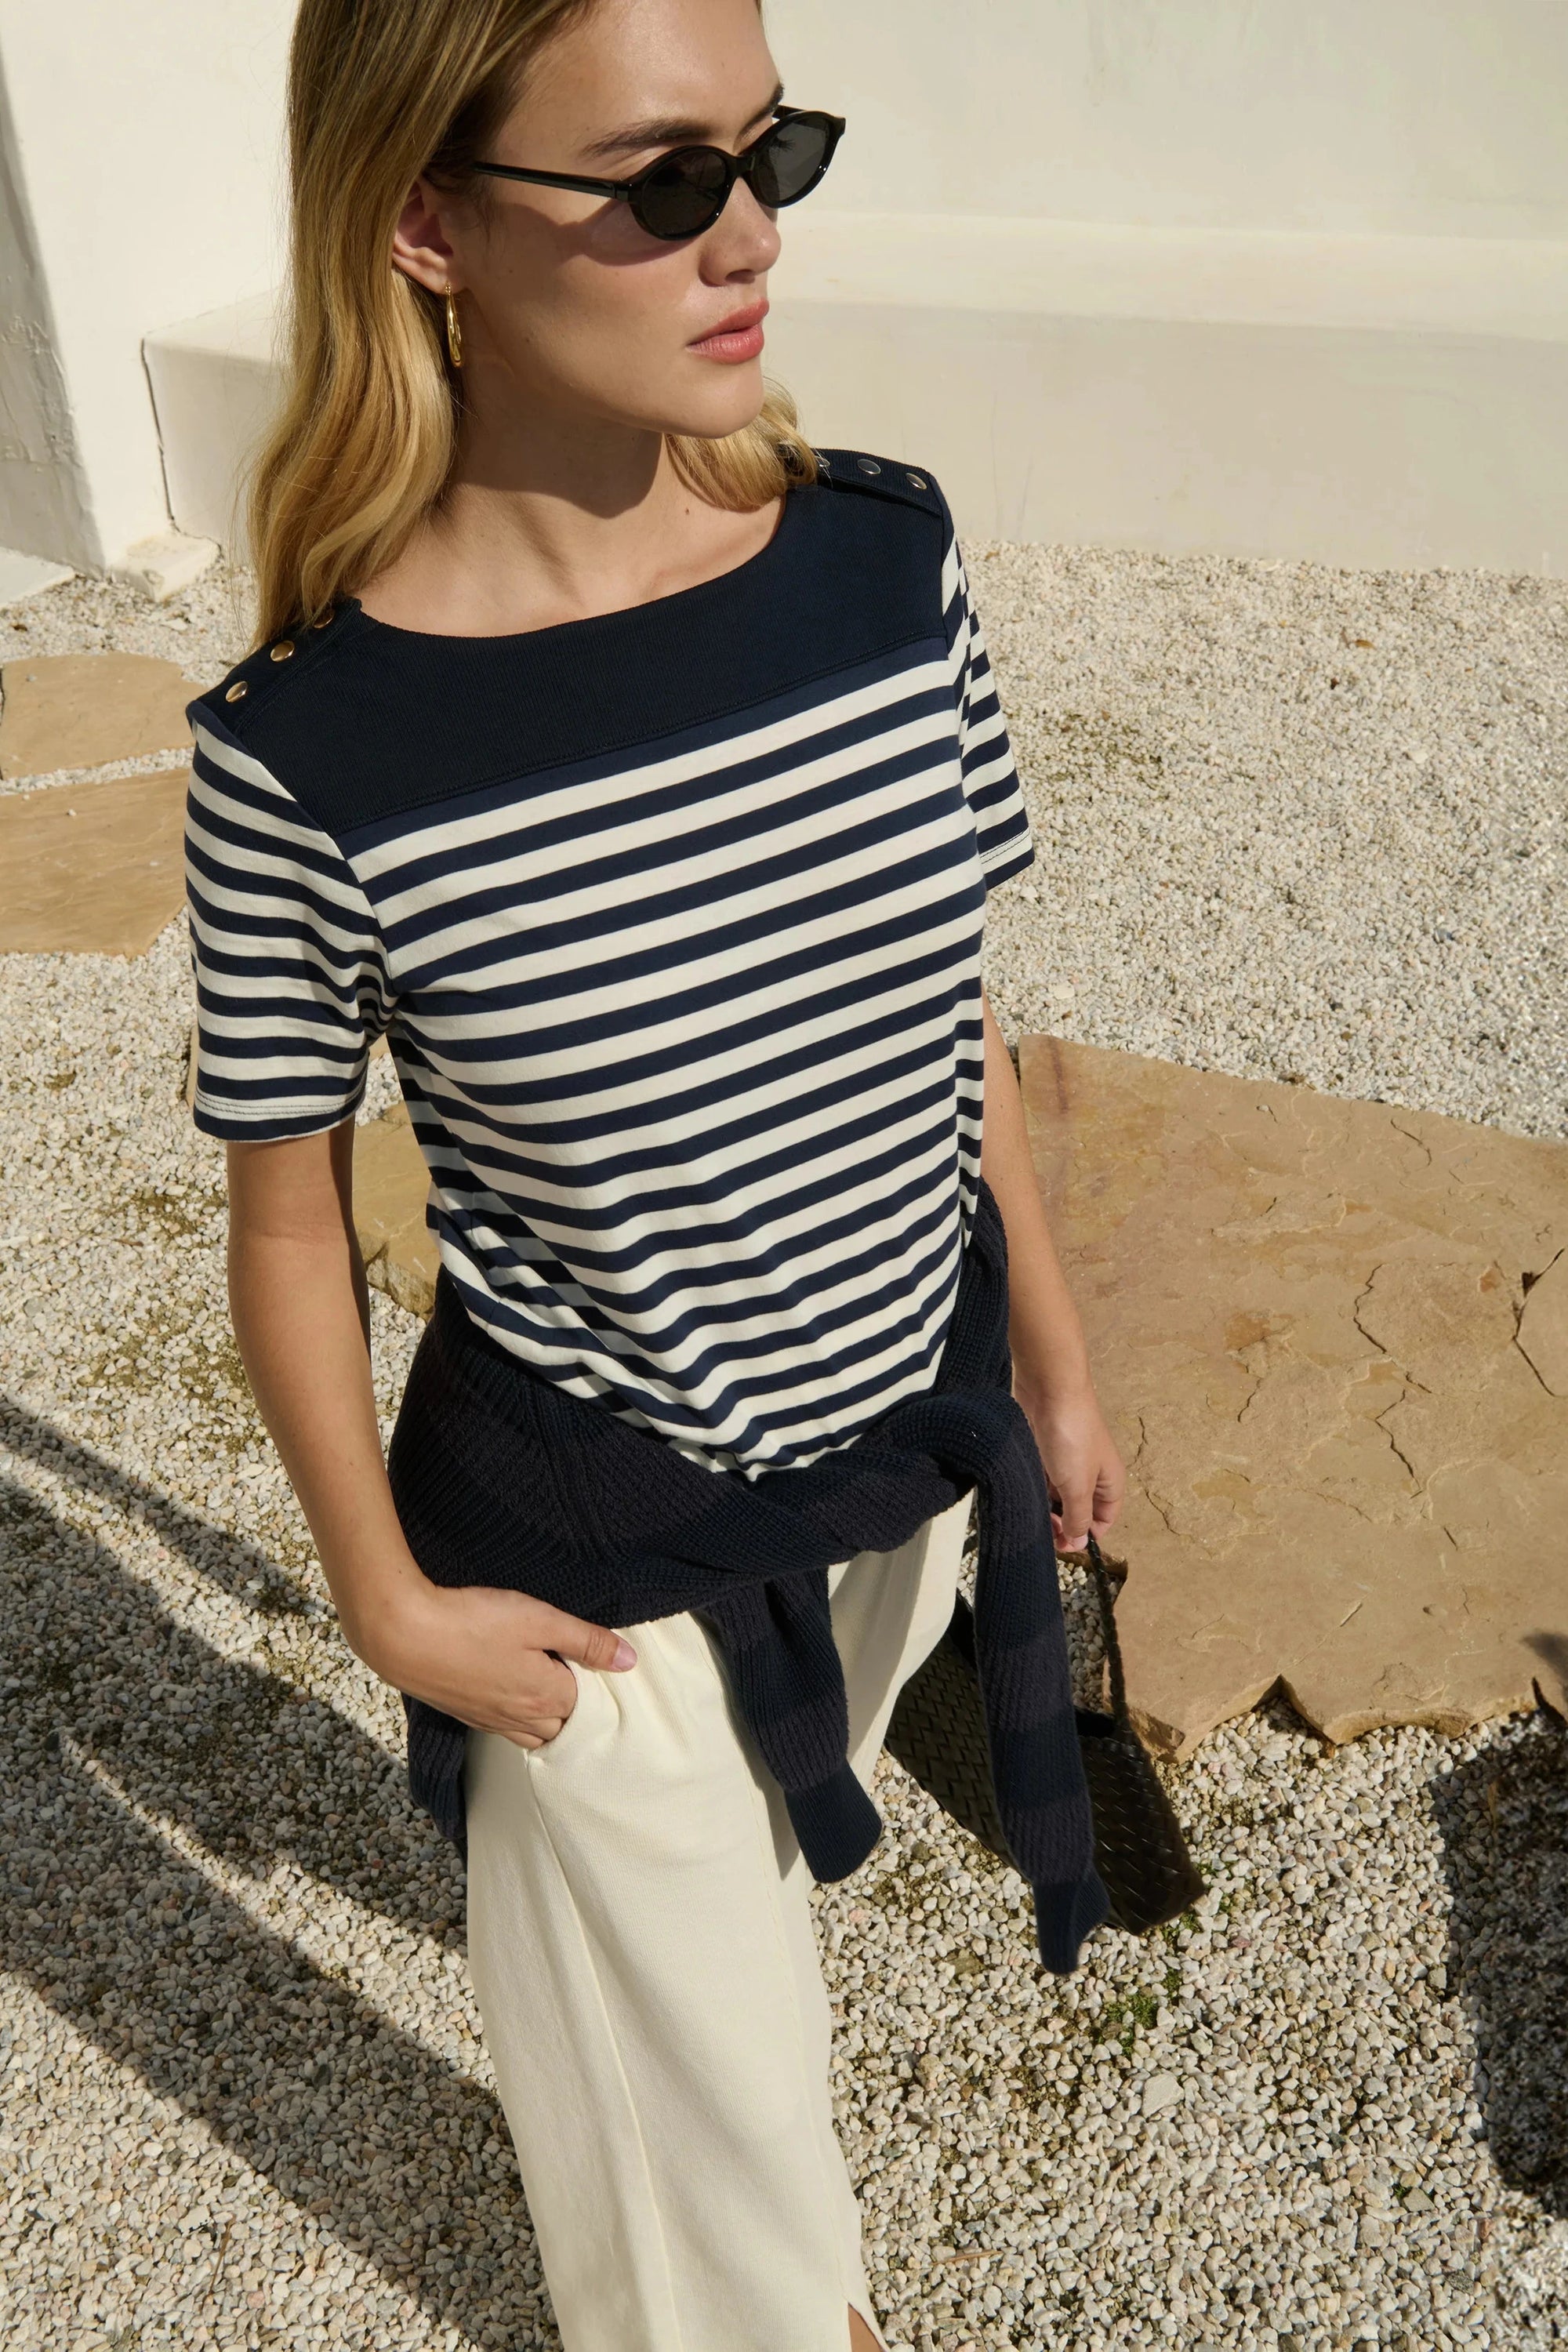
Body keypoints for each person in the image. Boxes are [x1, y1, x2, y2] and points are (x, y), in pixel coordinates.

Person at [183, 0, 1126, 2344]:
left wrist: (1057, 1374)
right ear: (427, 223)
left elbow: (955, 1042)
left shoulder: (883, 573)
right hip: (595, 1550)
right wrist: (386, 1602)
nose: (752, 235)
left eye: (767, 149)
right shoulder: (315, 759)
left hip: (909, 1448)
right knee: (725, 2200)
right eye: (661, 179)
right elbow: (290, 1216)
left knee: (733, 2002)